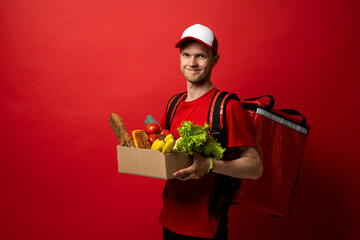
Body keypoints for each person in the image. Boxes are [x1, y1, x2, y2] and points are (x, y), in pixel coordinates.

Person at [159, 24, 263, 240]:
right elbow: (164, 151)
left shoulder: (228, 106)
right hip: (169, 218)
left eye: (201, 56)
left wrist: (210, 165)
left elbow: (255, 167)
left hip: (206, 228)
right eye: (186, 54)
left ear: (215, 59)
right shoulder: (173, 104)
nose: (192, 63)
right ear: (179, 57)